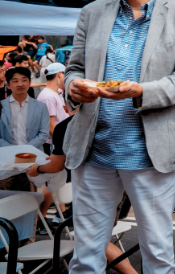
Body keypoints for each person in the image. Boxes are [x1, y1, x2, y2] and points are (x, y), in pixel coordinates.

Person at [63, 0, 175, 274]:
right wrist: (74, 87)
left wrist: (140, 91)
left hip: (149, 154)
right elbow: (73, 70)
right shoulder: (92, 13)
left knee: (156, 252)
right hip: (94, 151)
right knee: (86, 254)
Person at [25, 115, 137, 274]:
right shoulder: (110, 118)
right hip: (121, 183)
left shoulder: (66, 126)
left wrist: (37, 169)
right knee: (97, 239)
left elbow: (56, 166)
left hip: (95, 191)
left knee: (94, 239)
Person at [0, 67, 50, 190]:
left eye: (24, 80)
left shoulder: (41, 107)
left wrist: (24, 152)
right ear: (9, 85)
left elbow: (43, 133)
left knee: (30, 199)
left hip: (31, 162)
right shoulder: (1, 106)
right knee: (5, 200)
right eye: (15, 81)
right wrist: (13, 152)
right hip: (6, 163)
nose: (20, 84)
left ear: (29, 83)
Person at [36, 63, 70, 155]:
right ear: (59, 74)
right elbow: (50, 126)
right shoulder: (48, 97)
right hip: (52, 142)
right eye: (66, 75)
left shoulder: (57, 91)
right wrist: (61, 145)